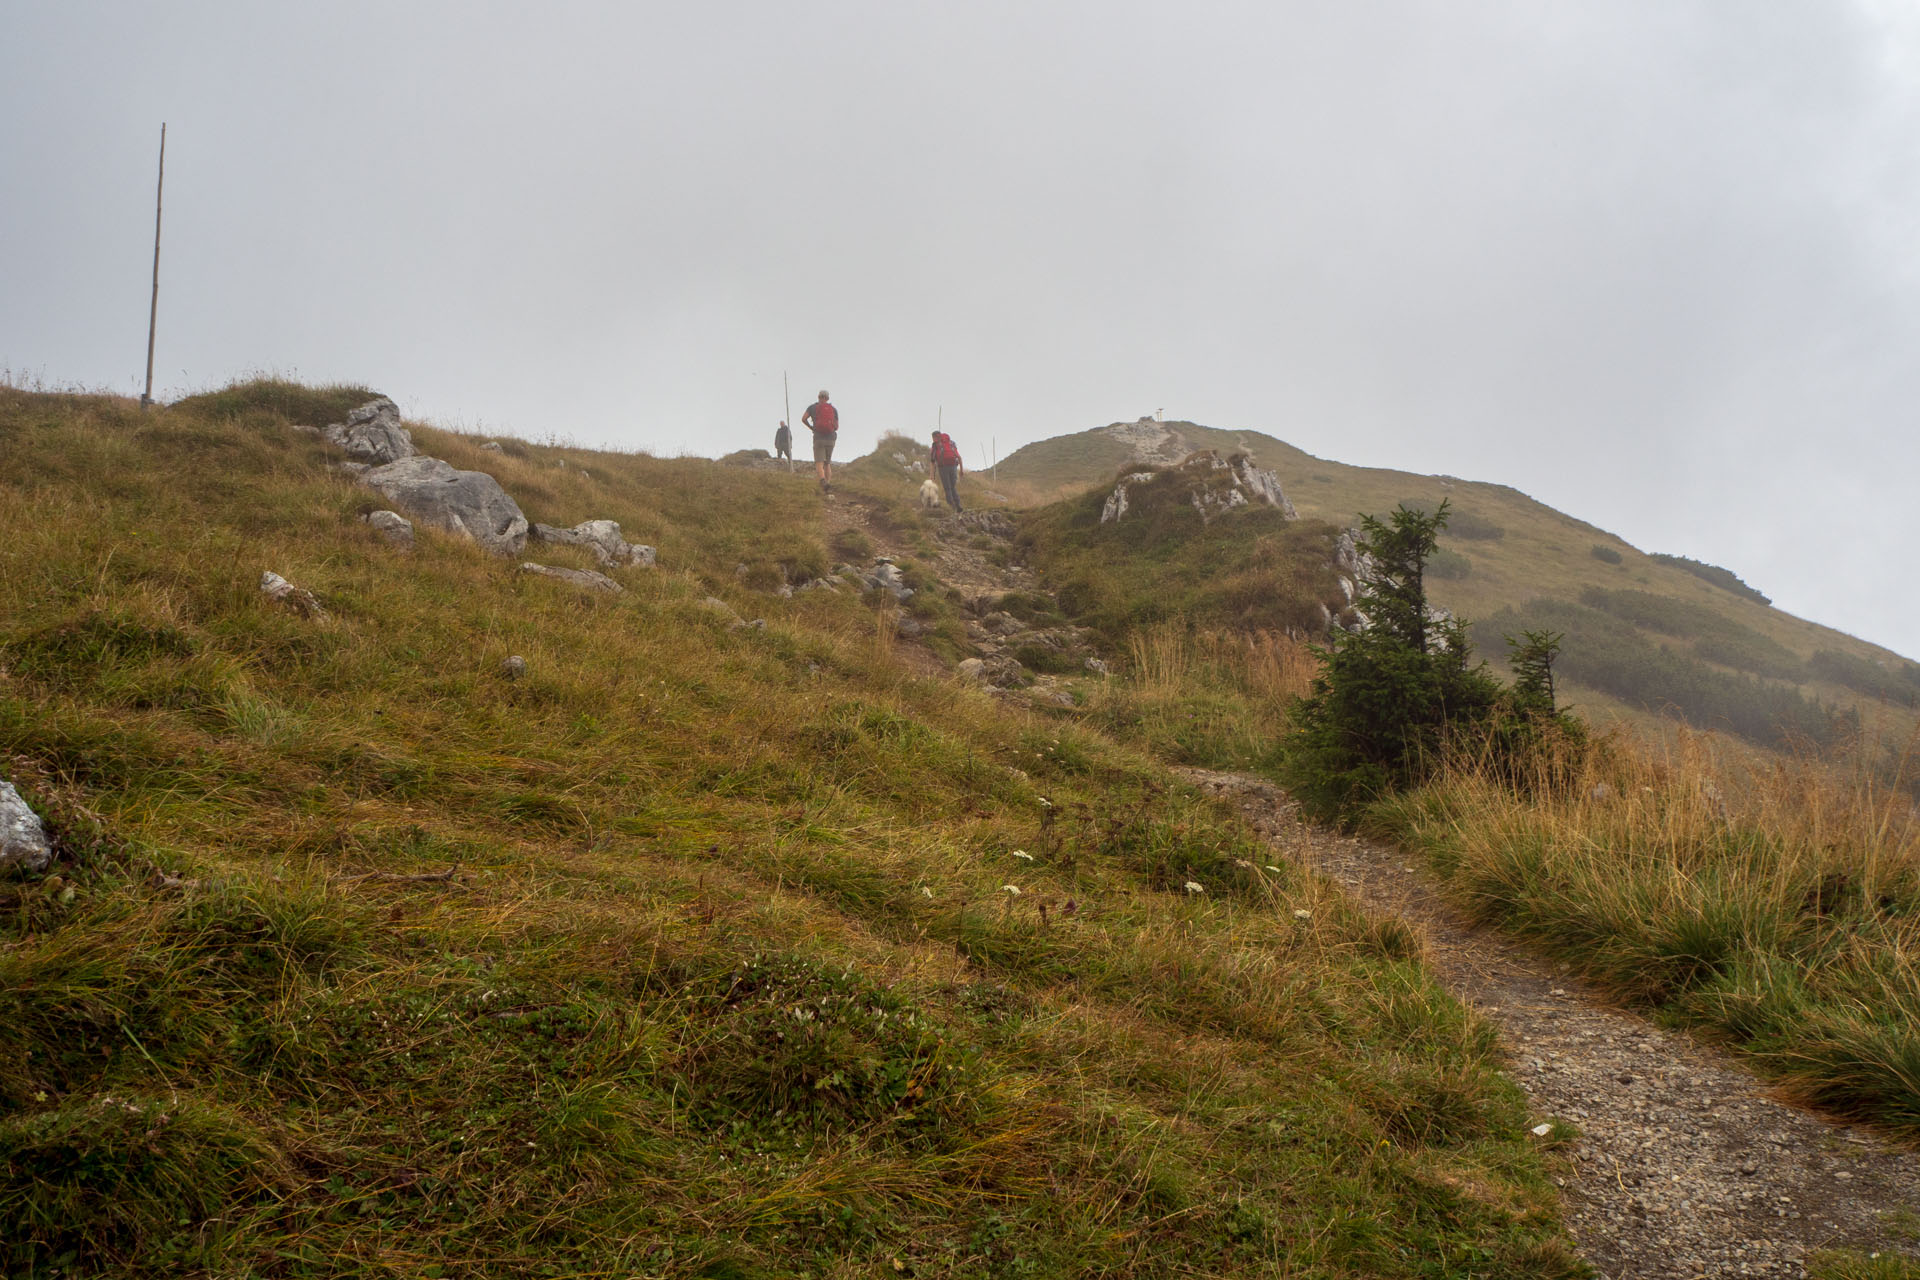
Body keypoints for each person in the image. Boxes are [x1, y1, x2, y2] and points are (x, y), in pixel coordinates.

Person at [802, 390, 838, 491]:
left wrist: (812, 427)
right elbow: (836, 426)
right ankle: (828, 483)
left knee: (819, 462)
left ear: (818, 396)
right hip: (831, 438)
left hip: (819, 438)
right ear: (828, 398)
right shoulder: (833, 409)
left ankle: (823, 481)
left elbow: (803, 418)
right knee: (827, 463)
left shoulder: (812, 407)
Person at [930, 427, 963, 512]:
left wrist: (932, 476)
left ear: (935, 437)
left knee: (947, 488)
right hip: (953, 466)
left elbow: (932, 462)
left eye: (933, 438)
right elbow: (959, 457)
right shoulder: (951, 443)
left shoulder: (935, 445)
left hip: (943, 467)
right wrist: (961, 470)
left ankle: (951, 507)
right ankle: (958, 504)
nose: (933, 439)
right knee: (952, 487)